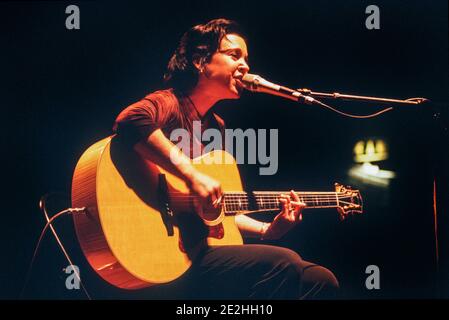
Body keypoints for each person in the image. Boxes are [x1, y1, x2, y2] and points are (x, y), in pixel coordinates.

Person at [113, 18, 339, 299]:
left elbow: (217, 207)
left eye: (246, 59)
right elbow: (131, 120)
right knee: (286, 263)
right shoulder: (170, 102)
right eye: (234, 55)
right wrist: (192, 176)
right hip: (163, 250)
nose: (245, 66)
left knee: (320, 280)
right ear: (200, 61)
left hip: (199, 249)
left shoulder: (216, 126)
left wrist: (267, 229)